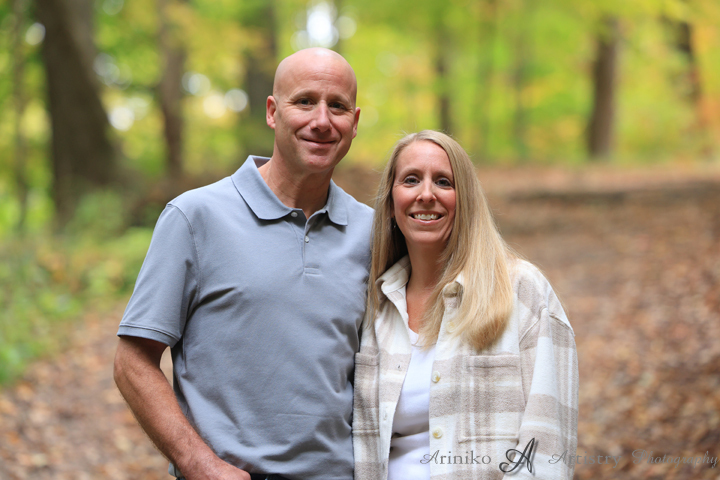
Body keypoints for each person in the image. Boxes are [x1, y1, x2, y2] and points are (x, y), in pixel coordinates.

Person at [113, 48, 372, 480]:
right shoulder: (195, 217)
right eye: (305, 101)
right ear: (273, 112)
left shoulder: (373, 232)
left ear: (355, 122)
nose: (322, 120)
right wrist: (198, 464)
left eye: (338, 106)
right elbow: (132, 361)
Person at [352, 130, 578, 479]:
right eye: (411, 179)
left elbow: (547, 445)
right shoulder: (373, 307)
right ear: (390, 203)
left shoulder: (522, 291)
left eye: (444, 182)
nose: (426, 194)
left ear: (466, 200)